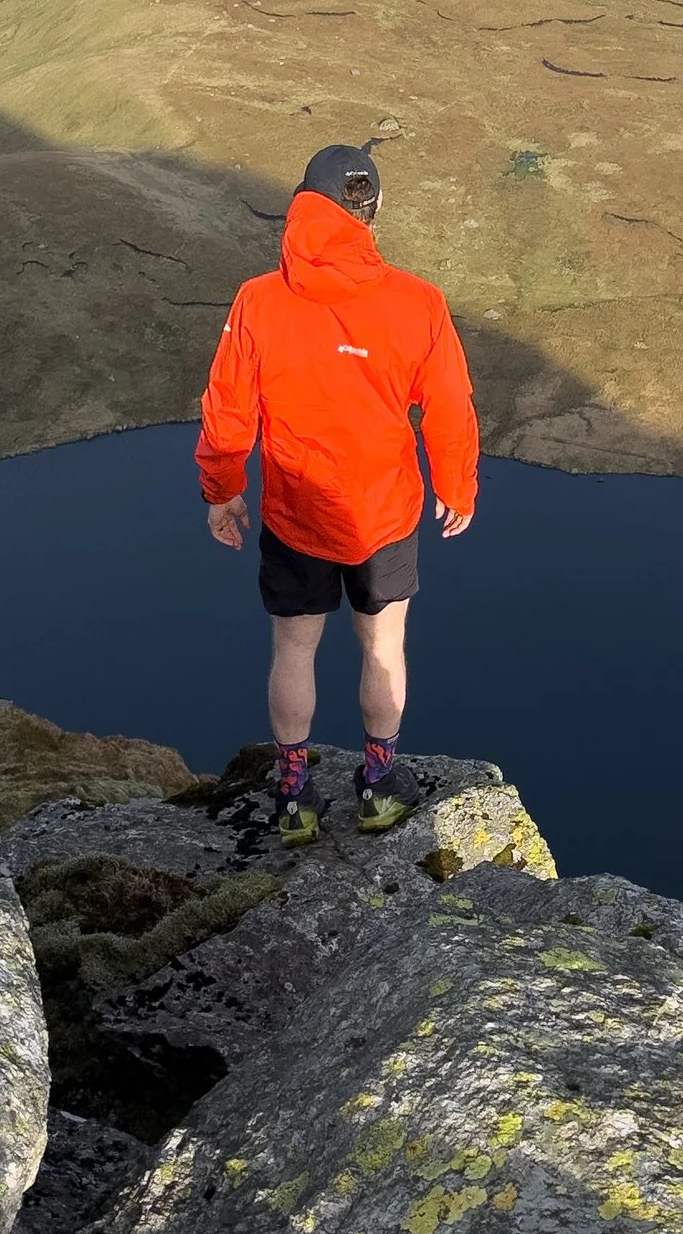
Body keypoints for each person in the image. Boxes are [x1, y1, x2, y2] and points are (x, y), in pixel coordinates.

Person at [197, 140, 478, 843]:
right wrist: (457, 485)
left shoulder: (258, 302)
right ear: (371, 212)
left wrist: (222, 489)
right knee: (383, 644)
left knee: (293, 650)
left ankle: (294, 795)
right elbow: (449, 405)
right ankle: (380, 783)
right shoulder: (418, 303)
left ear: (303, 204)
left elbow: (227, 410)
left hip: (296, 514)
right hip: (382, 515)